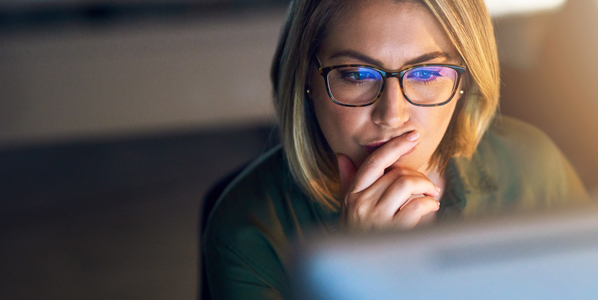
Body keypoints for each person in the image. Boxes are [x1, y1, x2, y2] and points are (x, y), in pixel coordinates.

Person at [202, 0, 591, 299]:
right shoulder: (245, 230)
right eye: (356, 74)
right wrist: (365, 271)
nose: (392, 114)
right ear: (305, 78)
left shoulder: (534, 166)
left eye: (426, 74)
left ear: (464, 82)